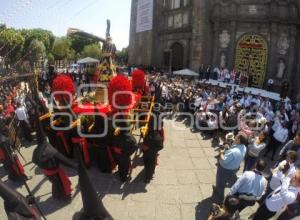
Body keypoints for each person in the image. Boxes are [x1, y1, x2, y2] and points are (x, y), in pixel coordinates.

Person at [213, 132, 248, 203]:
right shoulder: (244, 147)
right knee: (225, 180)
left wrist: (221, 152)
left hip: (225, 169)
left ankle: (220, 199)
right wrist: (228, 147)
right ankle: (218, 188)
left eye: (237, 136)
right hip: (234, 168)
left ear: (239, 140)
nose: (235, 136)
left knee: (220, 183)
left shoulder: (233, 151)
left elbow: (224, 160)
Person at [142, 115, 164, 183]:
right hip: (148, 152)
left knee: (150, 166)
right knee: (147, 163)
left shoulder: (156, 136)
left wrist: (149, 148)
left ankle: (148, 178)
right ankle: (148, 174)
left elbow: (160, 146)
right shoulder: (151, 132)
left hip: (151, 153)